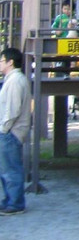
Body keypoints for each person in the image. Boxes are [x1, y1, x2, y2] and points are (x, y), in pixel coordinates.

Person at [0, 47, 30, 215]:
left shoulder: (15, 80)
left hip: (11, 132)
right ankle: (9, 200)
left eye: (2, 60)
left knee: (11, 169)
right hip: (9, 131)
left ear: (10, 62)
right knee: (5, 169)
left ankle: (16, 203)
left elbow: (12, 109)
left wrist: (4, 129)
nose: (0, 63)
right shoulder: (12, 79)